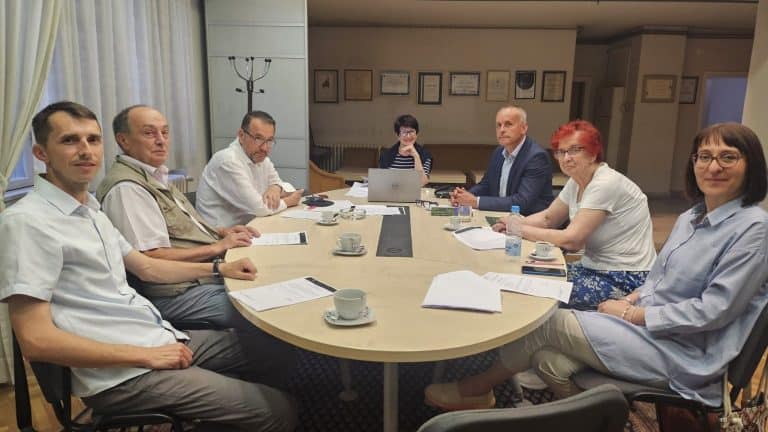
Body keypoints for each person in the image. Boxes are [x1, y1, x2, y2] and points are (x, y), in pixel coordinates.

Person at [425, 122, 768, 411]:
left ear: (750, 165)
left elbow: (713, 311)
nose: (713, 167)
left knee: (545, 322)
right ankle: (606, 420)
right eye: (704, 156)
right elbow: (657, 279)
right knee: (548, 361)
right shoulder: (692, 217)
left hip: (684, 351)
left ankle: (474, 390)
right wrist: (630, 302)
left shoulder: (753, 229)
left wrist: (630, 314)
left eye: (728, 157)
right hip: (648, 323)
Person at [0, 101, 298, 431]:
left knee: (276, 349)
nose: (86, 150)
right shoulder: (27, 222)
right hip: (122, 374)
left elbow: (148, 267)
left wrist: (218, 269)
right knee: (278, 411)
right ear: (41, 153)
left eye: (93, 140)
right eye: (70, 140)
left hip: (154, 335)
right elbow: (36, 341)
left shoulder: (89, 209)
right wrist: (145, 356)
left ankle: (219, 401)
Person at [96, 105, 259, 329]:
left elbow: (184, 227)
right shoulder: (127, 188)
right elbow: (152, 258)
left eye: (165, 132)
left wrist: (222, 232)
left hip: (203, 273)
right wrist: (218, 248)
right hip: (177, 291)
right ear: (123, 140)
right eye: (149, 133)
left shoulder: (153, 174)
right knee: (259, 305)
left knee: (270, 277)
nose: (161, 140)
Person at [493, 120, 656, 311]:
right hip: (592, 267)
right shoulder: (577, 180)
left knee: (534, 295)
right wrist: (511, 222)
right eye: (561, 152)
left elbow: (572, 240)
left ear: (593, 153)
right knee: (523, 277)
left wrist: (518, 229)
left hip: (624, 276)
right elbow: (548, 218)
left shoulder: (605, 183)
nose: (566, 158)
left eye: (574, 150)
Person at [196, 110, 304, 226]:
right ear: (241, 135)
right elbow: (259, 208)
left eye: (269, 140)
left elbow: (285, 187)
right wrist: (288, 202)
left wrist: (276, 187)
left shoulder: (261, 158)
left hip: (251, 225)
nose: (265, 148)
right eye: (258, 139)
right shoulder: (228, 161)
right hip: (221, 232)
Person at [450, 105, 553, 215]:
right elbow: (486, 185)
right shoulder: (499, 152)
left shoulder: (536, 157)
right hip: (502, 215)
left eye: (508, 124)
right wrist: (463, 196)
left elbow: (522, 202)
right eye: (499, 125)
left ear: (523, 128)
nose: (502, 130)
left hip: (529, 219)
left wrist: (476, 202)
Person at [379, 114, 433, 185]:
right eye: (404, 132)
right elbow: (382, 182)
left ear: (416, 134)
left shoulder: (425, 154)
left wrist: (416, 156)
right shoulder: (386, 155)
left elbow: (422, 182)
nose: (408, 136)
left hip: (416, 192)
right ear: (398, 135)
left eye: (411, 132)